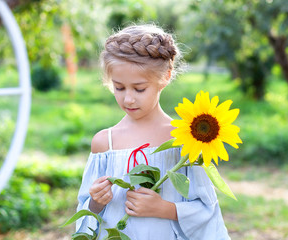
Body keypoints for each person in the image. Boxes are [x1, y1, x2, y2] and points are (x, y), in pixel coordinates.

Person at [76, 24, 230, 240]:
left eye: (139, 89)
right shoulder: (104, 143)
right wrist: (96, 202)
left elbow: (207, 209)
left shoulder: (184, 138)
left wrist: (164, 208)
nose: (128, 98)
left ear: (165, 77)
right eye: (119, 87)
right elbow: (86, 213)